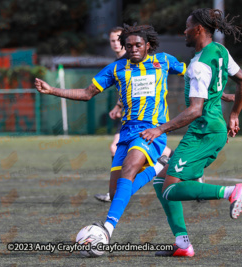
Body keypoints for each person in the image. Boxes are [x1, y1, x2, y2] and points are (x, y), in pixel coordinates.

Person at [35, 24, 186, 250]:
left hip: (152, 130)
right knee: (117, 193)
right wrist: (52, 90)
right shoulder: (116, 68)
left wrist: (220, 94)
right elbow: (87, 94)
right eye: (129, 45)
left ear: (148, 45)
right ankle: (157, 167)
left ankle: (107, 229)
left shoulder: (163, 61)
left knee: (130, 168)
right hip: (127, 132)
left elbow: (195, 75)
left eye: (138, 45)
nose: (133, 49)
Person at [140, 8, 242, 257]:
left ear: (199, 29)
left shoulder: (199, 65)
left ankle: (230, 191)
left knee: (170, 189)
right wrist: (234, 114)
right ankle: (182, 243)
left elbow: (195, 111)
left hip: (203, 133)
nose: (184, 31)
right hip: (211, 130)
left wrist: (160, 128)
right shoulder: (219, 51)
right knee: (161, 180)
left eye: (187, 27)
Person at [94, 27, 174, 203]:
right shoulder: (119, 64)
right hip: (128, 119)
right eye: (112, 41)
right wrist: (118, 106)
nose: (115, 44)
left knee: (118, 149)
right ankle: (173, 162)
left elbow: (141, 88)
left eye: (117, 40)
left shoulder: (144, 60)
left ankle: (170, 165)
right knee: (159, 151)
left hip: (144, 120)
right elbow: (130, 89)